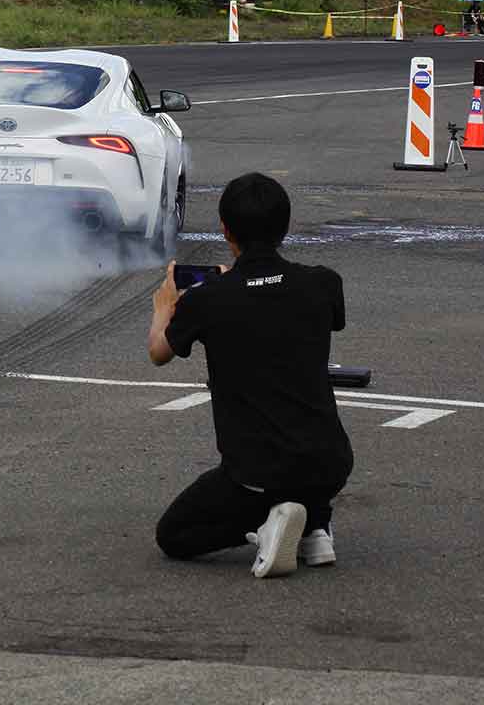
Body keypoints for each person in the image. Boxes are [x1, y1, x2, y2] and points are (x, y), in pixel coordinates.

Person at [147, 172, 352, 578]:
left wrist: (164, 307)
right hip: (330, 465)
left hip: (256, 474)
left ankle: (268, 523)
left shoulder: (209, 300)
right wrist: (246, 287)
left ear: (225, 230)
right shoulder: (324, 283)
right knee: (303, 438)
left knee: (173, 535)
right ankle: (314, 524)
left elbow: (159, 352)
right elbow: (276, 310)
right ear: (286, 227)